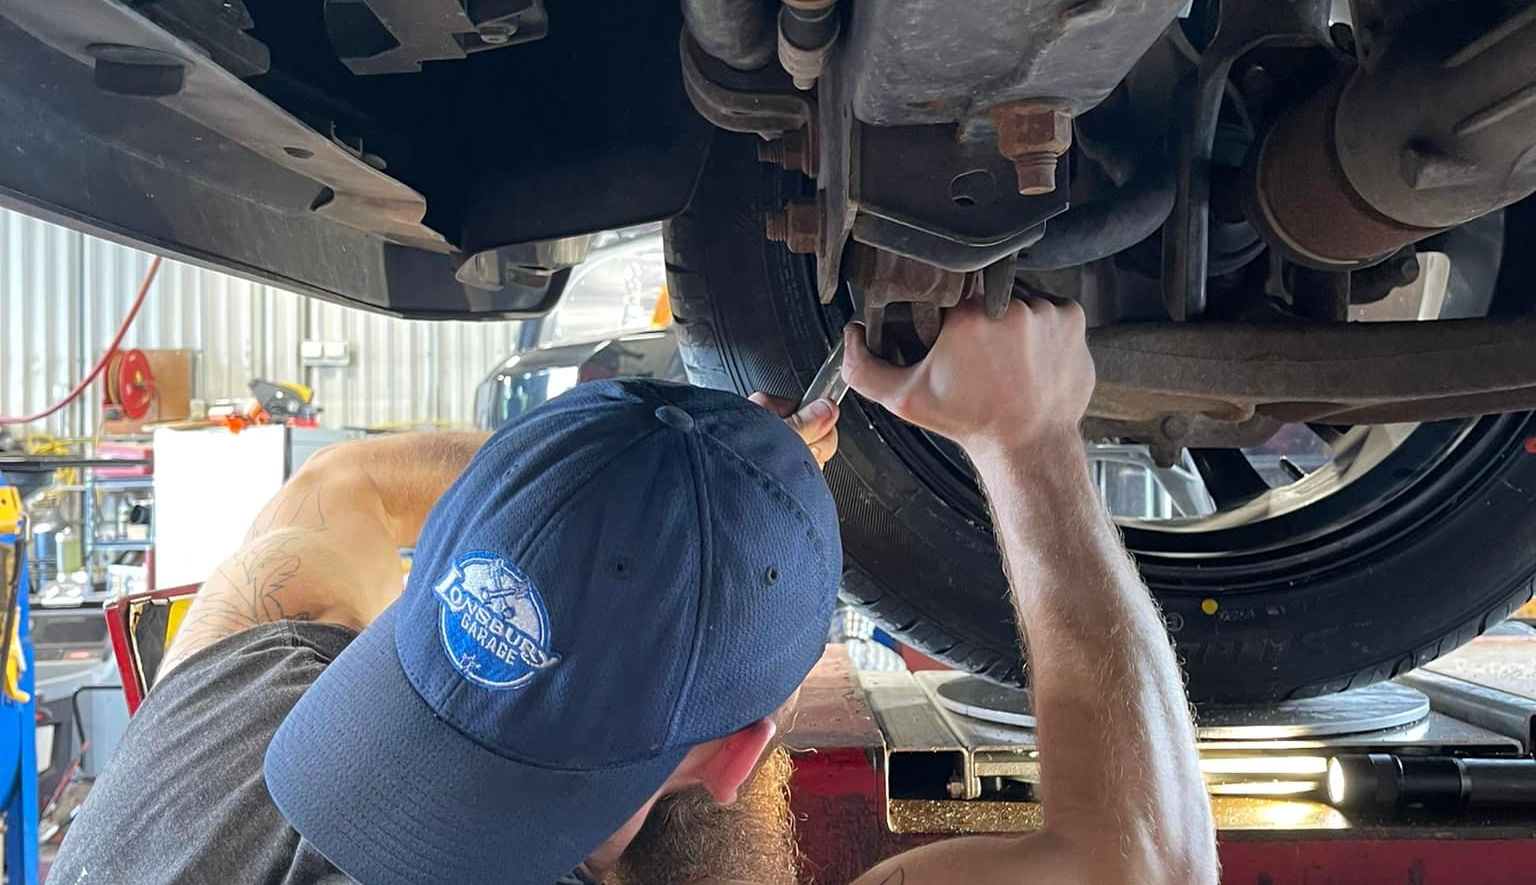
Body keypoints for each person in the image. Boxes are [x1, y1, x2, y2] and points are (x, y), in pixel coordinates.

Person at [49, 297, 1217, 885]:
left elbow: (342, 486)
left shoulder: (222, 714)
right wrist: (1030, 439)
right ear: (733, 754)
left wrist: (622, 494)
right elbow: (1146, 860)